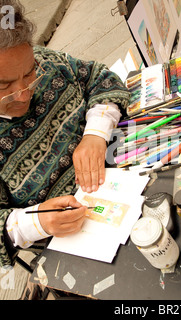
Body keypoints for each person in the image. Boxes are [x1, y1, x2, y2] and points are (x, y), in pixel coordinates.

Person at [0, 0, 130, 267]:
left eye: (29, 73)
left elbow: (101, 78)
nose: (24, 93)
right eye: (5, 86)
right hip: (73, 240)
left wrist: (95, 133)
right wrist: (34, 222)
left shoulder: (46, 62)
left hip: (125, 175)